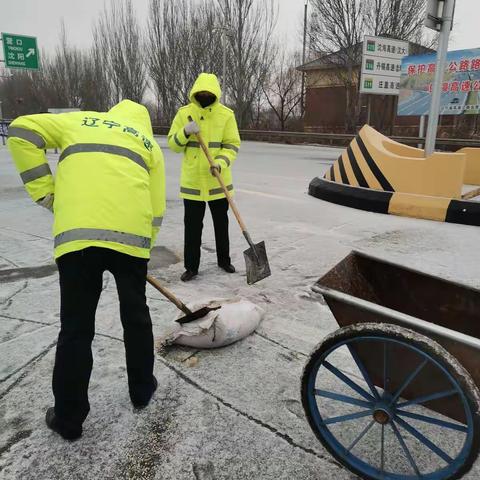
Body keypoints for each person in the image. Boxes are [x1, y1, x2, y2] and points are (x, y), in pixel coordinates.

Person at [7, 100, 166, 441]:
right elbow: (156, 206)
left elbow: (19, 131)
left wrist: (47, 194)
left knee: (76, 328)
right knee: (136, 317)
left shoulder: (79, 120)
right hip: (131, 239)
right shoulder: (148, 143)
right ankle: (142, 390)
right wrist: (142, 248)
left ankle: (69, 418)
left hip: (77, 237)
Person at [168, 73, 241, 282]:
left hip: (218, 180)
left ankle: (224, 260)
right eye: (201, 93)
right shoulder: (184, 114)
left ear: (215, 94)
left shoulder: (226, 115)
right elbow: (173, 145)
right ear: (195, 93)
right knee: (192, 227)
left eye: (209, 93)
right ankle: (191, 267)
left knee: (221, 224)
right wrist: (185, 132)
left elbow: (232, 145)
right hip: (193, 183)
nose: (204, 96)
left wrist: (220, 162)